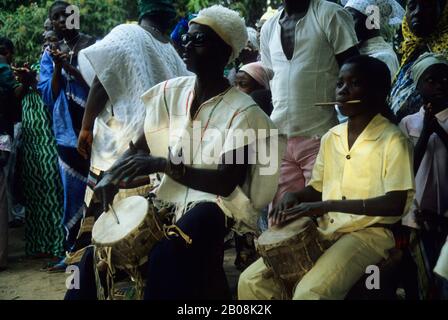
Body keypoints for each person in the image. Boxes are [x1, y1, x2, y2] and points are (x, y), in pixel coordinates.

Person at [65, 5, 282, 300]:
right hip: (167, 197)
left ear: (225, 50)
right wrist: (111, 177)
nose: (187, 45)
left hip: (217, 205)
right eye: (187, 38)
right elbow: (138, 148)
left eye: (199, 40)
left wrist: (164, 165)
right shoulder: (171, 93)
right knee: (93, 256)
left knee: (165, 256)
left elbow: (225, 182)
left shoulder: (244, 112)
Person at [238, 55, 415, 300]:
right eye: (340, 83)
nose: (343, 90)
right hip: (325, 229)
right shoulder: (332, 136)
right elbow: (317, 188)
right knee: (250, 281)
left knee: (310, 293)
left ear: (378, 92)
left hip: (369, 234)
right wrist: (294, 196)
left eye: (354, 83)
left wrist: (327, 205)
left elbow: (395, 202)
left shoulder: (393, 140)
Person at [69, 0, 189, 265]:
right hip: (157, 147)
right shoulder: (171, 49)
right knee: (149, 233)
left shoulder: (127, 33)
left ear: (142, 10)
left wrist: (86, 126)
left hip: (124, 145)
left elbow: (102, 80)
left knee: (111, 223)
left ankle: (103, 268)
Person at [260, 0, 359, 209]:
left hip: (320, 138)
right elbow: (272, 82)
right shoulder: (269, 28)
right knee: (283, 224)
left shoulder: (330, 15)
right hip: (280, 142)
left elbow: (355, 71)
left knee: (324, 219)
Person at [38, 1, 95, 253]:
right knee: (72, 194)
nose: (63, 20)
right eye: (57, 16)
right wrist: (58, 67)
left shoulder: (93, 45)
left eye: (67, 15)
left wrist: (70, 66)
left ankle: (101, 249)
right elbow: (49, 97)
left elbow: (101, 84)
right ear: (52, 22)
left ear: (77, 17)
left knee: (97, 192)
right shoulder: (49, 55)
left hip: (94, 129)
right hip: (66, 134)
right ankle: (75, 253)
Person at [399, 53, 448, 299]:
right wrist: (427, 130)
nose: (440, 84)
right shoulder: (408, 123)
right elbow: (405, 168)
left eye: (445, 78)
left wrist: (437, 129)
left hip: (445, 213)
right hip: (417, 213)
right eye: (432, 79)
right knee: (423, 275)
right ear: (418, 86)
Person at [19, 25, 65, 260]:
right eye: (44, 41)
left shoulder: (59, 67)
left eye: (53, 40)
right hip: (30, 140)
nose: (48, 45)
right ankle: (40, 244)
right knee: (34, 191)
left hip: (48, 139)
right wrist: (26, 81)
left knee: (52, 191)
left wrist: (33, 80)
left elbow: (52, 93)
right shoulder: (33, 68)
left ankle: (59, 245)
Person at [391, 0, 448, 121]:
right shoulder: (411, 49)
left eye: (427, 6)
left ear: (443, 10)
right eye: (411, 7)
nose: (417, 12)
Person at [343, 0, 403, 80]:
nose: (346, 24)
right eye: (345, 18)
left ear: (371, 22)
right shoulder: (354, 50)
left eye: (352, 18)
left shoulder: (384, 58)